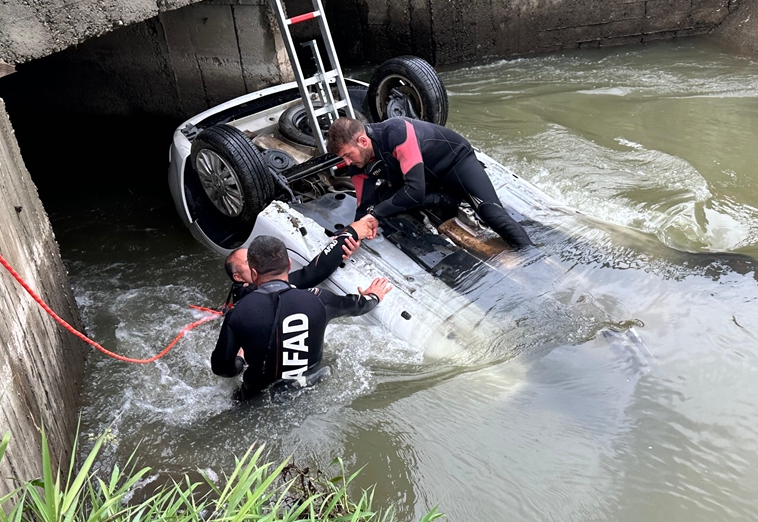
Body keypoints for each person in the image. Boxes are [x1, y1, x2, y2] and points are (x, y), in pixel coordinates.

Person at [211, 235, 392, 397]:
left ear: (254, 273)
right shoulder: (320, 299)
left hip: (256, 399)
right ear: (289, 264)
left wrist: (241, 360)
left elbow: (222, 369)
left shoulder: (238, 312)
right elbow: (357, 306)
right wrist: (373, 296)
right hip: (310, 391)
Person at [326, 115, 533, 249]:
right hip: (423, 180)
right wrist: (352, 234)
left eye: (347, 154)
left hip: (454, 164)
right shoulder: (357, 164)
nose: (346, 162)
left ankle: (533, 257)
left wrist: (375, 214)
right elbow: (364, 206)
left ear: (362, 141)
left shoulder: (396, 132)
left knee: (491, 214)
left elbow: (414, 191)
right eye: (342, 158)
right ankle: (443, 200)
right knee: (382, 199)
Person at [222, 219, 376, 308]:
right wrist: (350, 234)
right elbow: (311, 274)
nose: (258, 259)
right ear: (238, 277)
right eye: (249, 261)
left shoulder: (244, 290)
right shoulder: (254, 293)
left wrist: (346, 244)